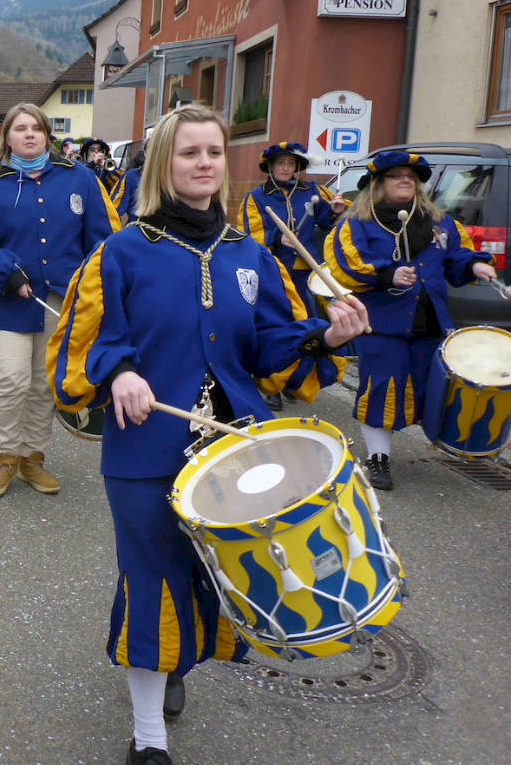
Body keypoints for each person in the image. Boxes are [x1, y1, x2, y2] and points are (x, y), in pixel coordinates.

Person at [49, 105, 367, 765]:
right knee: (151, 575)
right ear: (163, 163)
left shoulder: (250, 254)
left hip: (234, 448)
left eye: (214, 152)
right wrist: (121, 372)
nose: (203, 163)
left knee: (212, 573)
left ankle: (173, 662)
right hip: (145, 447)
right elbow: (86, 343)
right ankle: (148, 735)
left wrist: (326, 337)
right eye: (188, 151)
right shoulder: (122, 250)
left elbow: (271, 349)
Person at [0, 103, 119, 498]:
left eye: (37, 127)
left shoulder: (82, 179)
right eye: (20, 128)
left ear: (47, 135)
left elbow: (106, 241)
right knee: (10, 379)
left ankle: (32, 457)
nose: (30, 134)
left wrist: (90, 289)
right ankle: (4, 457)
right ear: (6, 138)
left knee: (43, 383)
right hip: (8, 301)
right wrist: (6, 272)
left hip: (63, 303)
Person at [325, 150, 495, 491]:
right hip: (381, 322)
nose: (405, 180)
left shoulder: (441, 222)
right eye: (396, 175)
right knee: (381, 387)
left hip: (429, 320)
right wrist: (387, 274)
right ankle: (378, 458)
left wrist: (475, 265)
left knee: (424, 386)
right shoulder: (356, 223)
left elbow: (457, 255)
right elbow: (345, 262)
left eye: (410, 177)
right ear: (378, 183)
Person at [237, 141, 347, 410]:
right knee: (280, 325)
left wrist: (335, 211)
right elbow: (250, 235)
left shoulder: (313, 191)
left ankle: (295, 379)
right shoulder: (256, 197)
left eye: (291, 163)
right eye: (280, 163)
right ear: (270, 167)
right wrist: (277, 239)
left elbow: (328, 222)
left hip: (307, 272)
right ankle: (273, 384)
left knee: (308, 325)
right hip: (275, 273)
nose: (286, 168)